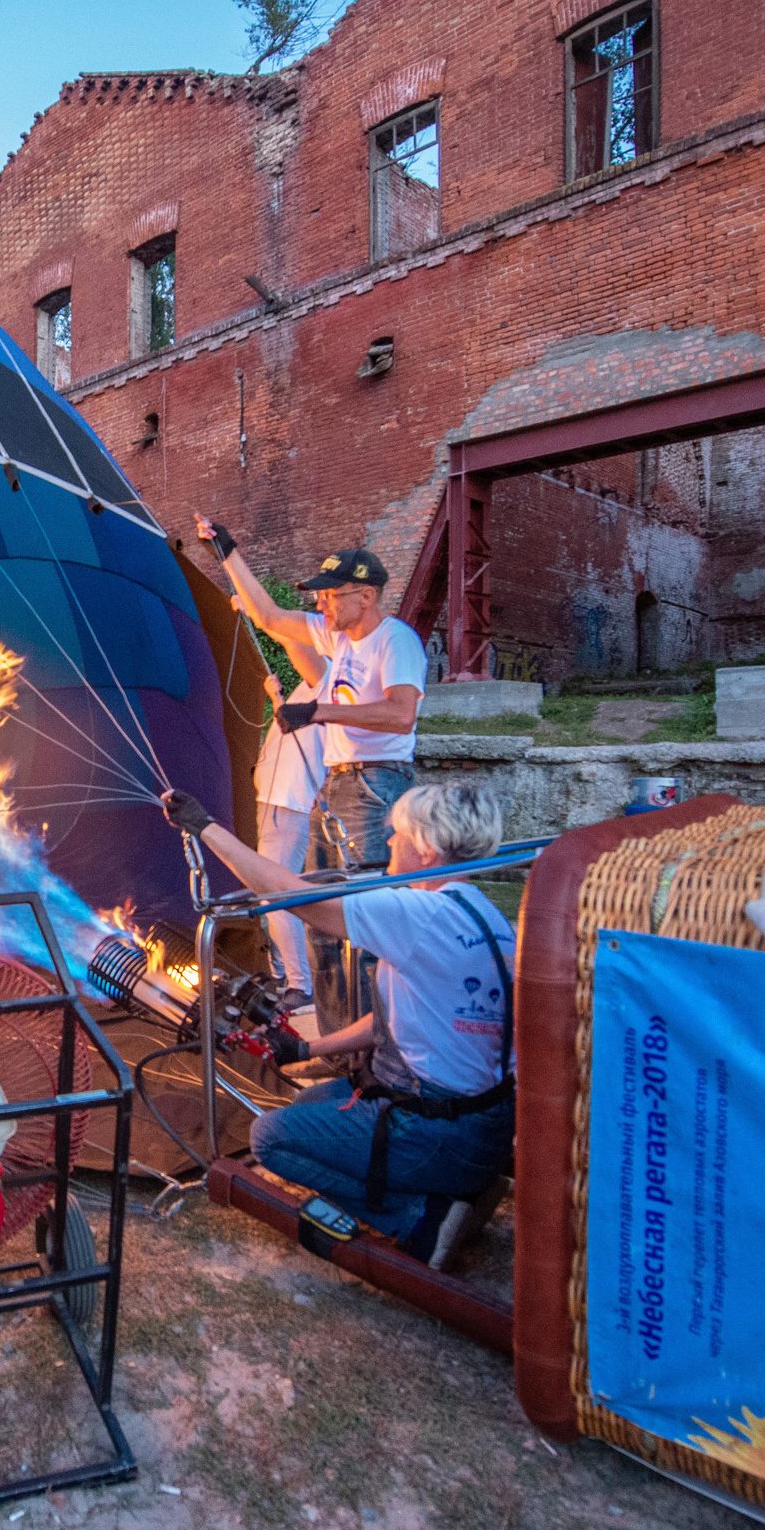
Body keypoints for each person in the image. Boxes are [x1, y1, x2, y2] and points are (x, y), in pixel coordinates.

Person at [160, 782, 513, 1253]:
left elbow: (293, 896)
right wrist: (308, 1048)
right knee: (307, 1106)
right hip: (485, 1129)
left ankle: (419, 1220)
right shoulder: (484, 914)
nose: (389, 841)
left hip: (438, 1133)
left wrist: (206, 828)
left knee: (271, 1139)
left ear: (428, 848)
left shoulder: (419, 913)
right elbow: (397, 1022)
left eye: (399, 833)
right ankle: (449, 1185)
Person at [194, 513, 426, 871]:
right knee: (320, 890)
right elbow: (270, 617)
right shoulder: (338, 637)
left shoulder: (396, 640)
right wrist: (228, 554)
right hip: (338, 778)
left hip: (376, 779)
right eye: (320, 596)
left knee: (360, 890)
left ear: (366, 596)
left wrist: (316, 711)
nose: (320, 605)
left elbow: (401, 715)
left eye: (330, 596)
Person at [252, 670, 326, 1011]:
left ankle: (300, 984)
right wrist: (275, 698)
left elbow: (305, 736)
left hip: (289, 802)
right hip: (274, 800)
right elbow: (289, 727)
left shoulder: (324, 679)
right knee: (269, 891)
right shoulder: (305, 688)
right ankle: (284, 974)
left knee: (277, 893)